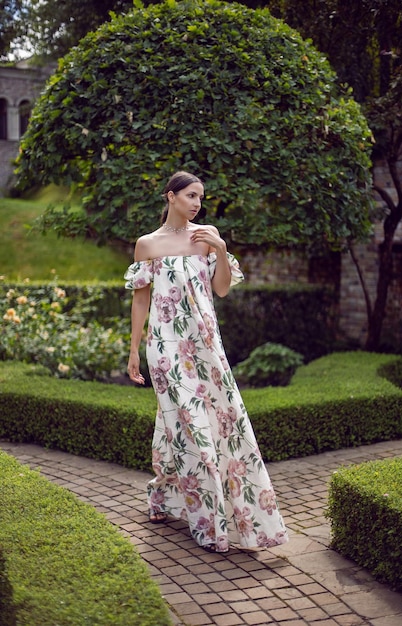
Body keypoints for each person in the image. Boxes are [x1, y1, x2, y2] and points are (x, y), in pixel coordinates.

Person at [125, 171, 288, 553]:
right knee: (190, 429)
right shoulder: (147, 245)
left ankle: (162, 498)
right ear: (171, 197)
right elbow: (140, 300)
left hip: (205, 346)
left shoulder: (207, 236)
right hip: (165, 348)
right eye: (190, 195)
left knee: (195, 423)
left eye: (201, 196)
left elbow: (222, 289)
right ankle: (206, 522)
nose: (197, 202)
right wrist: (134, 350)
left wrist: (220, 248)